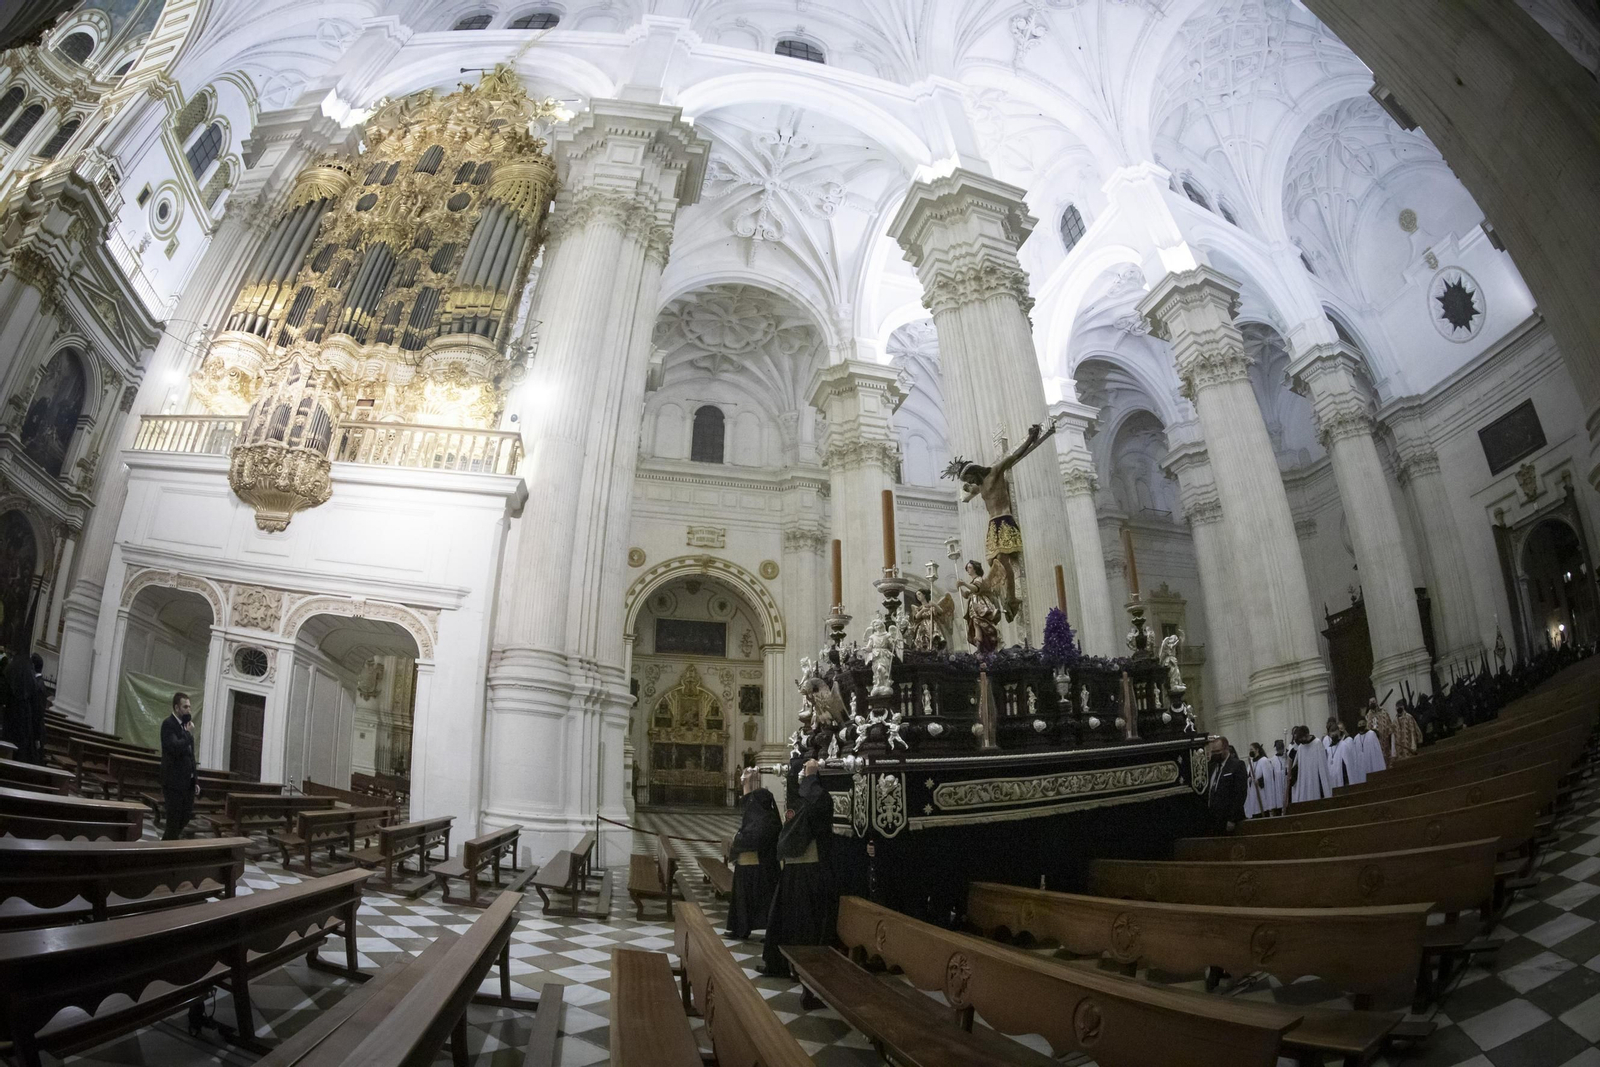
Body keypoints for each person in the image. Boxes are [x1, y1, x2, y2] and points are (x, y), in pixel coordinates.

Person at [760, 759, 834, 977]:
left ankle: (802, 970)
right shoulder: (800, 800)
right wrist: (798, 775)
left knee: (803, 924)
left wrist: (810, 776)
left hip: (809, 871)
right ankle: (781, 963)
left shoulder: (819, 799)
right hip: (794, 870)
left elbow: (816, 808)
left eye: (805, 774)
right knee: (785, 921)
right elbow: (796, 803)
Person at [725, 768, 780, 940]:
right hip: (749, 865)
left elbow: (753, 840)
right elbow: (747, 802)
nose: (752, 803)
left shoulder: (767, 821)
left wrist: (737, 839)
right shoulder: (759, 814)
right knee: (743, 901)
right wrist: (746, 783)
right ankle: (741, 928)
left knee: (758, 902)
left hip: (759, 867)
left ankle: (763, 930)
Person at [160, 692, 199, 840]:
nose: (189, 709)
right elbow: (174, 748)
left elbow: (191, 755)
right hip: (173, 781)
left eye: (189, 706)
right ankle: (165, 850)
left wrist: (195, 779)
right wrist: (188, 734)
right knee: (173, 821)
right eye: (185, 706)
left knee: (186, 816)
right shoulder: (168, 724)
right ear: (177, 708)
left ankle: (168, 844)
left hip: (187, 782)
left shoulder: (186, 726)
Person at [1205, 736, 1247, 833]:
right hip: (1214, 819)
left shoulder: (1237, 765)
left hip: (1229, 819)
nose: (1215, 754)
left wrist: (1232, 819)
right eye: (1213, 752)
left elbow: (1240, 794)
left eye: (1217, 751)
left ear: (1226, 749)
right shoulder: (1211, 767)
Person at [1288, 724, 1335, 804]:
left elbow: (1322, 766)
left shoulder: (1317, 743)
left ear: (1307, 734)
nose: (1301, 741)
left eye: (1302, 738)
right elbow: (1297, 765)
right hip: (1304, 780)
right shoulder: (1301, 747)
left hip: (1315, 779)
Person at [1268, 739, 1289, 815]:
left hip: (1285, 781)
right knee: (1279, 800)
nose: (1281, 751)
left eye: (1282, 749)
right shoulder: (1272, 760)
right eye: (1279, 749)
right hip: (1277, 784)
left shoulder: (1286, 757)